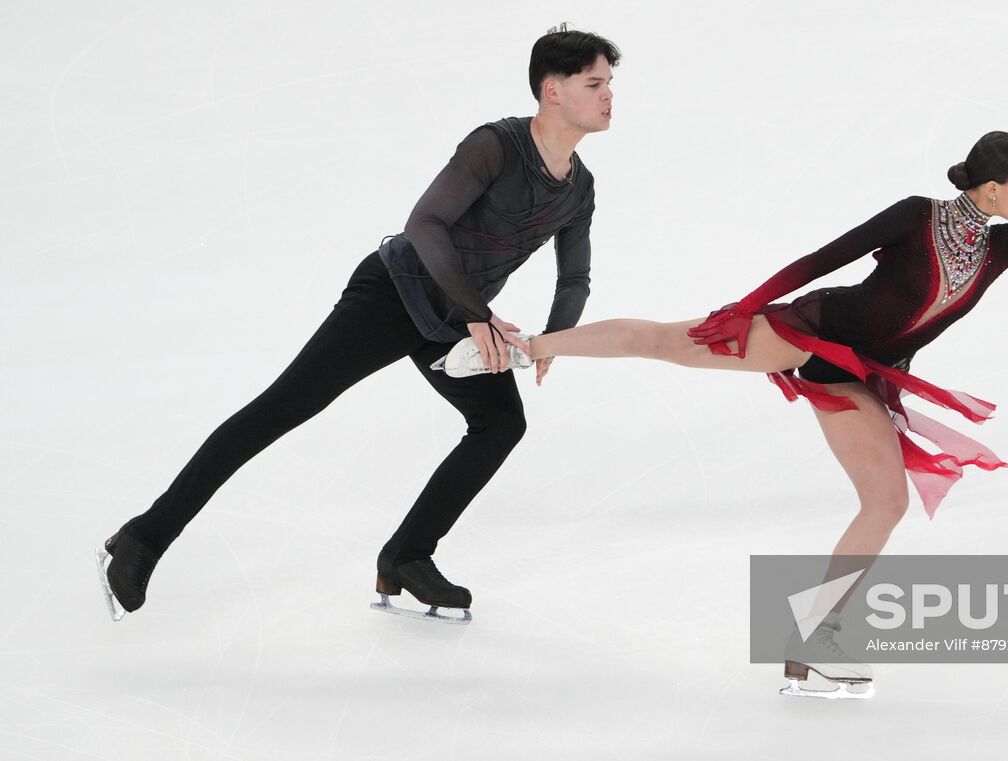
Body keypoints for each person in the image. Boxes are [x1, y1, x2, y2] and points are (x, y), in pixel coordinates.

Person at [441, 121, 1008, 692]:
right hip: (804, 331)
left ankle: (806, 644)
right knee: (664, 339)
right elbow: (825, 257)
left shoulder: (1002, 246)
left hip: (858, 371)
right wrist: (744, 306)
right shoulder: (915, 215)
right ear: (990, 185)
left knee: (885, 501)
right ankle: (521, 347)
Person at [95, 24, 621, 624]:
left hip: (454, 313)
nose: (609, 96)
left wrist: (552, 340)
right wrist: (478, 316)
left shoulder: (579, 189)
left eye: (610, 84)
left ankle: (406, 556)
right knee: (282, 408)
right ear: (552, 90)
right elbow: (425, 225)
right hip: (394, 292)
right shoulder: (495, 146)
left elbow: (573, 278)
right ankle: (143, 536)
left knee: (500, 422)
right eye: (595, 83)